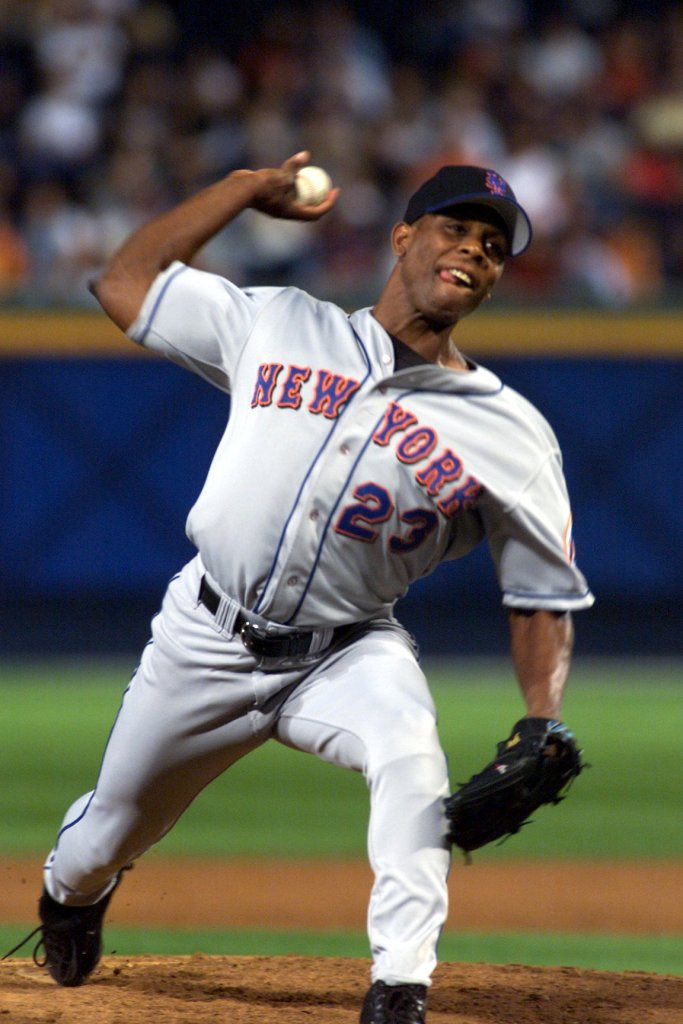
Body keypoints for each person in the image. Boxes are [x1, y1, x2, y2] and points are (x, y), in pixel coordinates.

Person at [24, 151, 595, 1023]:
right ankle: (71, 896)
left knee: (411, 761)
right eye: (455, 227)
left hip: (346, 649)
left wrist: (541, 712)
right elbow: (123, 281)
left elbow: (542, 595)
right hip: (205, 639)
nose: (475, 250)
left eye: (492, 245)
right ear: (403, 236)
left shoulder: (509, 431)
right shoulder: (281, 323)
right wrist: (241, 190)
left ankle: (400, 988)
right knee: (103, 836)